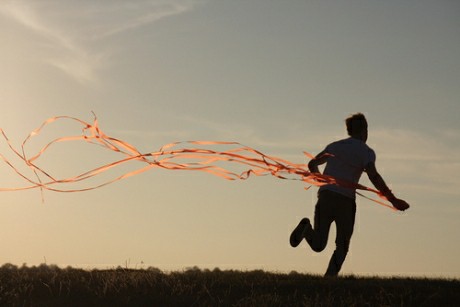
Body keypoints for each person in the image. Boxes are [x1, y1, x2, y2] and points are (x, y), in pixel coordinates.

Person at [290, 113, 409, 277]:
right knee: (342, 245)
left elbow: (312, 163)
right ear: (365, 131)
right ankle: (329, 279)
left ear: (349, 130)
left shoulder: (335, 146)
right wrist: (393, 200)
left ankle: (305, 228)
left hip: (325, 196)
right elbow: (373, 176)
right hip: (345, 201)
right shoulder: (366, 152)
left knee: (318, 244)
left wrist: (320, 178)